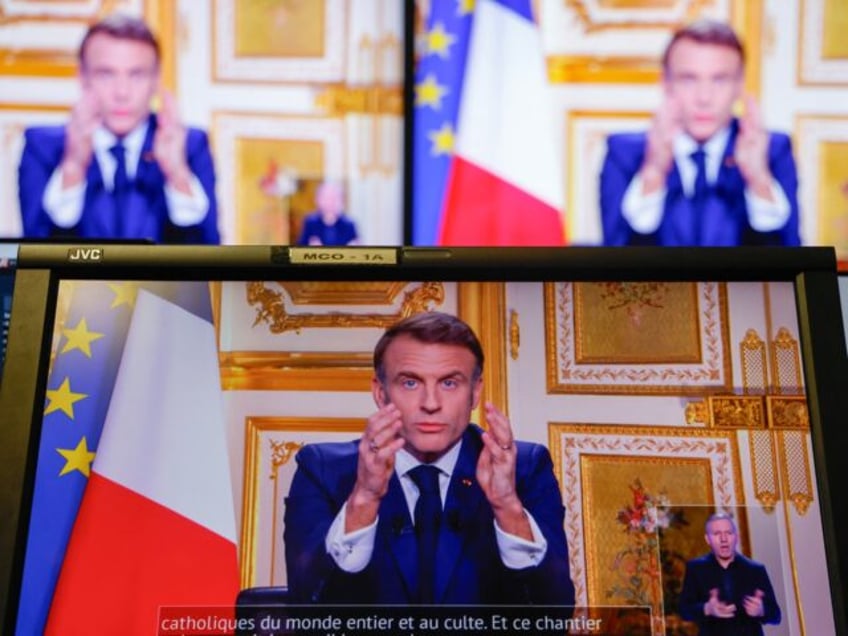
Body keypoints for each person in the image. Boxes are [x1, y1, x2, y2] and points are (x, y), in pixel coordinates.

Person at [284, 311, 575, 606]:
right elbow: (307, 610)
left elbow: (554, 615)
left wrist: (507, 506)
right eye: (410, 383)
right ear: (380, 392)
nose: (431, 404)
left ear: (475, 392)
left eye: (449, 383)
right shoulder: (321, 469)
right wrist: (365, 498)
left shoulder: (526, 469)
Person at [18, 14, 219, 244]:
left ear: (156, 80)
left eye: (137, 75)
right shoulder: (43, 146)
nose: (122, 93)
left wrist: (177, 174)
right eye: (106, 74)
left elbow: (209, 258)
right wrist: (73, 167)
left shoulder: (190, 145)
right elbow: (32, 259)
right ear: (82, 77)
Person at [599, 19, 800, 247]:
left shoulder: (773, 151)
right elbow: (614, 261)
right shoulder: (625, 153)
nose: (704, 98)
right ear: (666, 83)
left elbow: (792, 264)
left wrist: (758, 180)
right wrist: (653, 172)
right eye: (688, 79)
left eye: (719, 80)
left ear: (739, 85)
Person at [679, 512, 781, 635]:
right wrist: (707, 608)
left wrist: (761, 610)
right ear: (708, 539)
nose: (724, 539)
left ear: (736, 536)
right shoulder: (696, 568)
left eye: (729, 533)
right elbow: (684, 610)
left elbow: (776, 615)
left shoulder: (755, 570)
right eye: (717, 534)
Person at [296, 181, 359, 246]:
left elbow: (356, 247)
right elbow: (299, 248)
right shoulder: (310, 222)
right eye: (327, 198)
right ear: (318, 199)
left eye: (334, 198)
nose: (330, 202)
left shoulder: (349, 224)